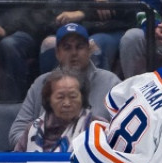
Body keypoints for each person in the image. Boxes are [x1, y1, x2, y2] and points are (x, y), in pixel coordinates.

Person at [8, 23, 121, 151]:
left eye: (79, 47)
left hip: (93, 162)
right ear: (57, 53)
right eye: (67, 47)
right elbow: (16, 132)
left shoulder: (112, 83)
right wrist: (42, 148)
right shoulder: (41, 83)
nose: (74, 53)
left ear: (89, 50)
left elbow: (123, 134)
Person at [39, 0, 135, 74]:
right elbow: (55, 3)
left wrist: (84, 13)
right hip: (69, 27)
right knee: (49, 44)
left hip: (107, 28)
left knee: (92, 46)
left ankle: (96, 93)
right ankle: (53, 91)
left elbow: (119, 3)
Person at [0, 0, 52, 101]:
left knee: (9, 44)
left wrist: (6, 29)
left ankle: (14, 102)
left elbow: (39, 13)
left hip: (23, 30)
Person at [14, 68, 102, 152]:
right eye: (60, 97)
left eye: (73, 97)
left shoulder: (98, 127)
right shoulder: (32, 130)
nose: (67, 103)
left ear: (82, 98)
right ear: (49, 99)